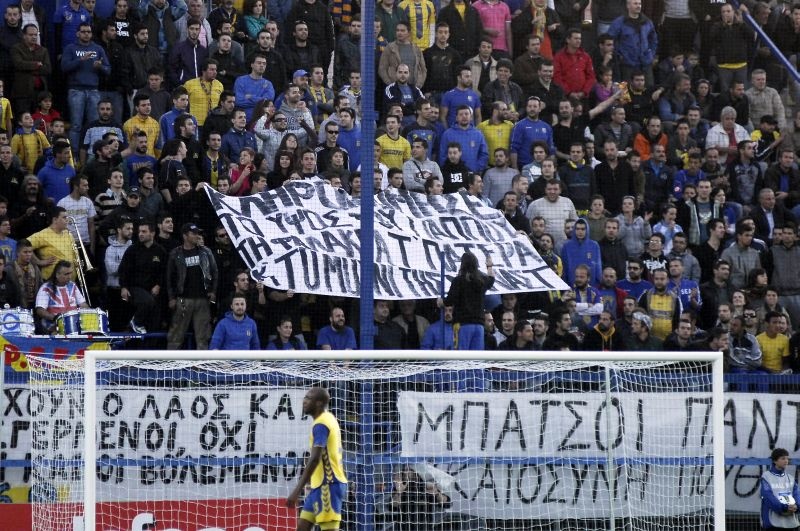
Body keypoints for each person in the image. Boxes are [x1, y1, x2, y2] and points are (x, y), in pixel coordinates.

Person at [286, 387, 347, 531]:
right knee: (302, 527)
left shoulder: (321, 425)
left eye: (308, 398)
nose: (304, 401)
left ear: (319, 403)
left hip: (328, 485)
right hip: (318, 486)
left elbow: (315, 459)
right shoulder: (327, 418)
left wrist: (297, 491)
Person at [166, 223, 218, 350]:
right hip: (183, 299)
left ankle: (202, 362)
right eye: (193, 233)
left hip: (203, 299)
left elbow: (215, 272)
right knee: (176, 336)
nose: (197, 236)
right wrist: (171, 298)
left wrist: (213, 291)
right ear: (185, 236)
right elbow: (169, 277)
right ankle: (170, 361)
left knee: (203, 337)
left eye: (197, 233)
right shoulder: (175, 253)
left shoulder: (206, 251)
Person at [440, 251, 494, 350]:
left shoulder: (458, 281)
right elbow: (491, 279)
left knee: (461, 356)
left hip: (462, 325)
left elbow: (450, 301)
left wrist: (441, 302)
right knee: (477, 357)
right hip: (479, 326)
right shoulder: (482, 281)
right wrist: (489, 266)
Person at [34, 259, 88, 332]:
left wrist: (89, 313)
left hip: (75, 326)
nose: (69, 277)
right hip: (53, 328)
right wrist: (55, 318)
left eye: (70, 273)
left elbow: (83, 304)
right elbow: (40, 310)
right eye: (66, 274)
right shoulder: (46, 287)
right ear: (57, 274)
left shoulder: (73, 285)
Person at [760, 448, 800, 530]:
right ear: (775, 461)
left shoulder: (790, 478)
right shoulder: (766, 477)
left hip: (790, 522)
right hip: (773, 523)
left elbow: (796, 494)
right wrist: (784, 507)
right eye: (783, 458)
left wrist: (797, 506)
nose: (786, 461)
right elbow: (768, 497)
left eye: (787, 459)